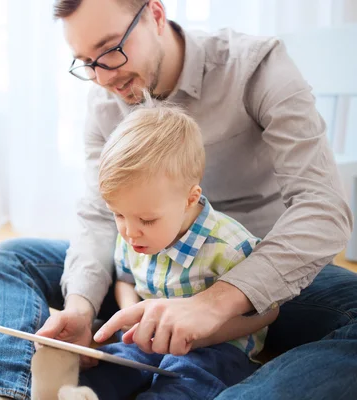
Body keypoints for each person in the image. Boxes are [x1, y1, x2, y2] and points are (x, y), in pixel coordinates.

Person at [0, 1, 356, 399]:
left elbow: (323, 209)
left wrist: (215, 303)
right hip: (152, 265)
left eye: (111, 49)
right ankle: (3, 392)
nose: (102, 76)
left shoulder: (255, 67)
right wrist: (80, 306)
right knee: (9, 257)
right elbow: (99, 215)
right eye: (86, 62)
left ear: (156, 15)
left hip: (258, 270)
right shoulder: (103, 100)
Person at [60, 102, 279, 399]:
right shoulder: (130, 234)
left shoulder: (230, 246)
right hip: (148, 340)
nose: (129, 231)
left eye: (147, 219)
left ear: (190, 199)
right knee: (111, 365)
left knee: (188, 379)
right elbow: (124, 279)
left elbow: (268, 311)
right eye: (118, 214)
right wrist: (132, 318)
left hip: (216, 349)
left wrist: (200, 336)